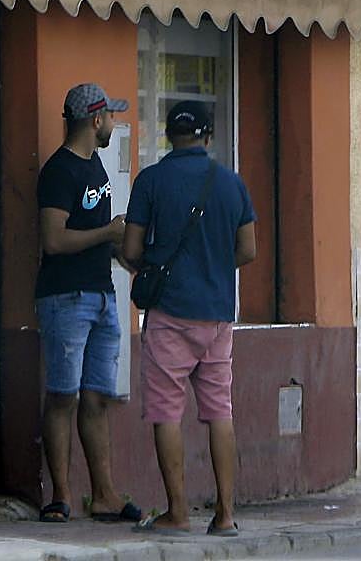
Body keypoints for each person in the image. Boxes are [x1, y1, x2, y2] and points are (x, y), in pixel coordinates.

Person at [123, 100, 257, 538]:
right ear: (207, 136)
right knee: (220, 410)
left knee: (167, 412)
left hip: (168, 313)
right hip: (218, 316)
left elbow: (130, 250)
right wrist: (214, 267)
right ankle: (225, 515)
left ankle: (177, 512)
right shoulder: (230, 183)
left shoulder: (152, 180)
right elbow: (248, 250)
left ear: (167, 135)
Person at [35, 83, 144, 524]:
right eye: (111, 117)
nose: (115, 124)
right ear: (95, 120)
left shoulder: (96, 166)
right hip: (66, 298)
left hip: (102, 295)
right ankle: (59, 496)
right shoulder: (59, 171)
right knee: (63, 397)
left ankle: (104, 494)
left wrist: (132, 261)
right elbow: (54, 239)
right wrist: (109, 234)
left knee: (98, 397)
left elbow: (104, 234)